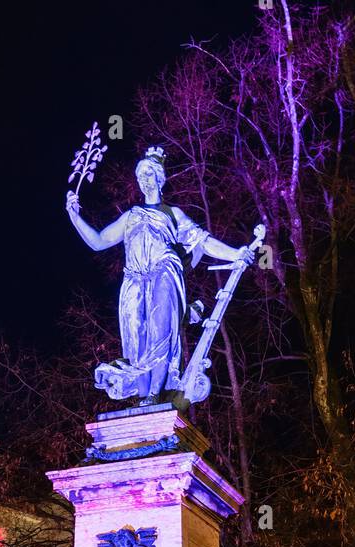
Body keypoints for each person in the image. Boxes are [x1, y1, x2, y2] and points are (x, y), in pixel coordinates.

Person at [66, 145, 254, 403]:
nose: (143, 179)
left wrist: (235, 254)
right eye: (140, 174)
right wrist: (75, 217)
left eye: (148, 173)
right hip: (133, 281)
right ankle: (145, 398)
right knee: (136, 342)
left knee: (161, 332)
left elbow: (203, 241)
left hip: (163, 275)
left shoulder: (173, 214)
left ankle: (154, 395)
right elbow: (99, 241)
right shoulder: (131, 215)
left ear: (159, 177)